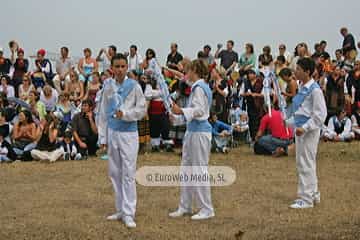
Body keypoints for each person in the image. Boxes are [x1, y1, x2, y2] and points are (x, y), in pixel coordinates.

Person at [101, 54, 146, 228]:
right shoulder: (108, 86)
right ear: (112, 68)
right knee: (115, 172)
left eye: (122, 66)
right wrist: (103, 137)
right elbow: (103, 112)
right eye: (116, 66)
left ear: (127, 67)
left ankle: (129, 212)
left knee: (128, 173)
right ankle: (119, 209)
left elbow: (141, 110)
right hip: (113, 132)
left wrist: (126, 115)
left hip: (128, 135)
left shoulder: (134, 86)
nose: (119, 70)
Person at [169, 59, 215, 221]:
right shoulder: (197, 88)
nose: (185, 74)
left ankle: (206, 208)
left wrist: (180, 110)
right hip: (193, 131)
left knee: (199, 170)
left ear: (194, 70)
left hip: (200, 134)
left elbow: (200, 111)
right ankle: (185, 205)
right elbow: (195, 114)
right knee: (187, 170)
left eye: (187, 70)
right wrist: (176, 117)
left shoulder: (199, 88)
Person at [287, 57, 327, 209]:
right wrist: (288, 121)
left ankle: (306, 199)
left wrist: (305, 127)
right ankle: (313, 194)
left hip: (308, 132)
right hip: (300, 131)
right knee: (305, 162)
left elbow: (320, 114)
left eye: (298, 69)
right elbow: (301, 111)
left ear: (307, 72)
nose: (295, 72)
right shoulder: (302, 88)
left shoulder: (315, 90)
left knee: (305, 163)